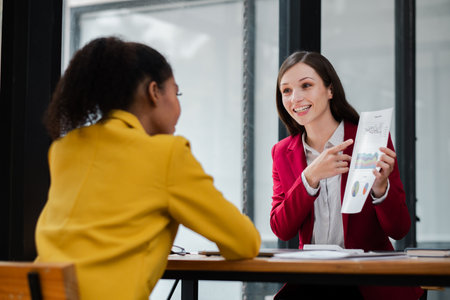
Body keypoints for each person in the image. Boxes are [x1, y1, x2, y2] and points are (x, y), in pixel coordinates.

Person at [35, 36, 261, 300]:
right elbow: (244, 243)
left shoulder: (64, 148)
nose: (178, 106)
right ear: (154, 92)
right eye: (176, 93)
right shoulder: (167, 154)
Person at [270, 51, 423, 300]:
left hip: (366, 283)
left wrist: (380, 188)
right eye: (286, 91)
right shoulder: (282, 153)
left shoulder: (370, 140)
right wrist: (309, 178)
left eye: (306, 85)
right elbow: (281, 228)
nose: (295, 98)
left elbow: (399, 229)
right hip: (312, 281)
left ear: (330, 90)